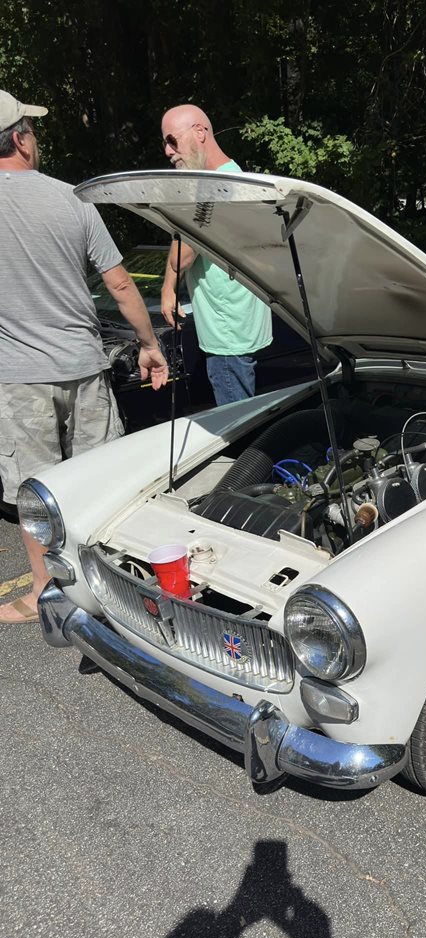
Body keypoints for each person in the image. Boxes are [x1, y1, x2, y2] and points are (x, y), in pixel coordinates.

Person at [0, 90, 169, 624]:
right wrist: (149, 345)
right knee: (103, 481)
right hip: (84, 365)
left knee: (36, 489)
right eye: (34, 128)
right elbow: (118, 283)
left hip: (18, 378)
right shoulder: (72, 198)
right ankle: (113, 591)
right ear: (21, 139)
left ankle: (43, 596)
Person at [159, 104, 272, 406]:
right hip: (239, 326)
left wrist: (168, 286)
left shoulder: (214, 188)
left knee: (237, 426)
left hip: (227, 334)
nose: (168, 152)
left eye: (172, 140)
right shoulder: (236, 177)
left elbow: (182, 255)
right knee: (248, 416)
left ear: (200, 132)